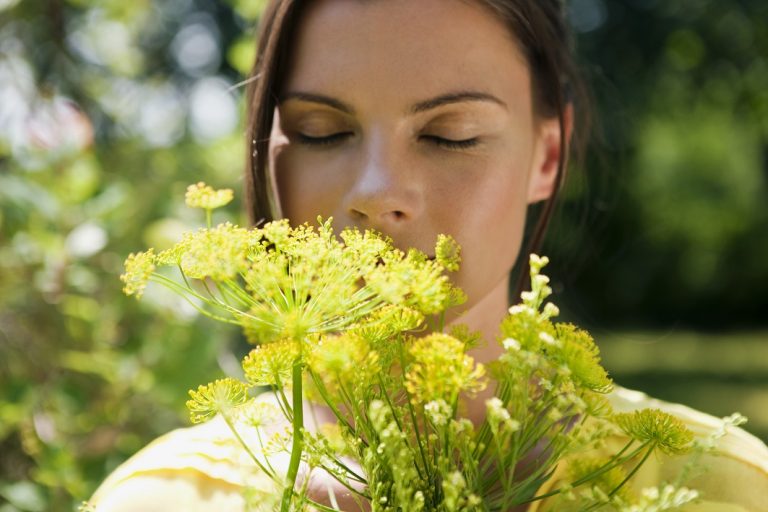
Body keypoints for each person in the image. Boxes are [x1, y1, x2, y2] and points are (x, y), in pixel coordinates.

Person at [88, 1, 768, 510]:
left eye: (452, 134)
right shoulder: (160, 497)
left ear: (548, 155)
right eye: (322, 132)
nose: (377, 193)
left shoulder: (721, 486)